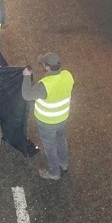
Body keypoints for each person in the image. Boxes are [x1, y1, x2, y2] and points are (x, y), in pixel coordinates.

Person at [21, 52, 74, 180]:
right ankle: (64, 164)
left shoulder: (45, 85)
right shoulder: (68, 75)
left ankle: (54, 173)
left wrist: (26, 77)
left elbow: (26, 95)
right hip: (62, 118)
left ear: (47, 67)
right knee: (61, 140)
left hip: (47, 123)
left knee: (50, 147)